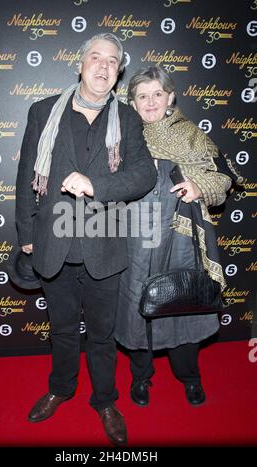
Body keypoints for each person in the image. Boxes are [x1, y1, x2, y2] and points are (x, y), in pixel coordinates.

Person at [15, 34, 156, 446]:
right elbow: (26, 176)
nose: (103, 66)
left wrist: (96, 184)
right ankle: (61, 387)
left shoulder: (127, 119)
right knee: (60, 328)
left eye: (112, 61)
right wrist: (26, 233)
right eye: (95, 57)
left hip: (104, 245)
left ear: (119, 71)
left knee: (101, 333)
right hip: (52, 242)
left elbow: (144, 174)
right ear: (80, 64)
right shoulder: (43, 112)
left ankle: (105, 401)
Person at [115, 66, 242, 408]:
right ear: (133, 102)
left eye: (157, 93)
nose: (151, 101)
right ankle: (141, 377)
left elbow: (224, 176)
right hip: (134, 238)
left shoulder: (191, 136)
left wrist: (199, 185)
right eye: (142, 96)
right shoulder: (122, 135)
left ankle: (189, 378)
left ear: (170, 97)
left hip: (180, 239)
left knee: (182, 306)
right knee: (136, 307)